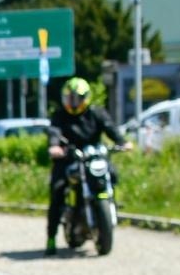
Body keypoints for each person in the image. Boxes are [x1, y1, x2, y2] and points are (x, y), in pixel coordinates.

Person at [46, 77, 130, 256]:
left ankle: (110, 205)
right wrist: (55, 147)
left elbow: (110, 128)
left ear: (86, 98)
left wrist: (122, 142)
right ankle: (51, 238)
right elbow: (54, 132)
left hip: (93, 158)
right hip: (69, 159)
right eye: (70, 98)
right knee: (58, 190)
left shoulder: (96, 113)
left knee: (112, 174)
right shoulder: (60, 116)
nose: (73, 103)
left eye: (77, 98)